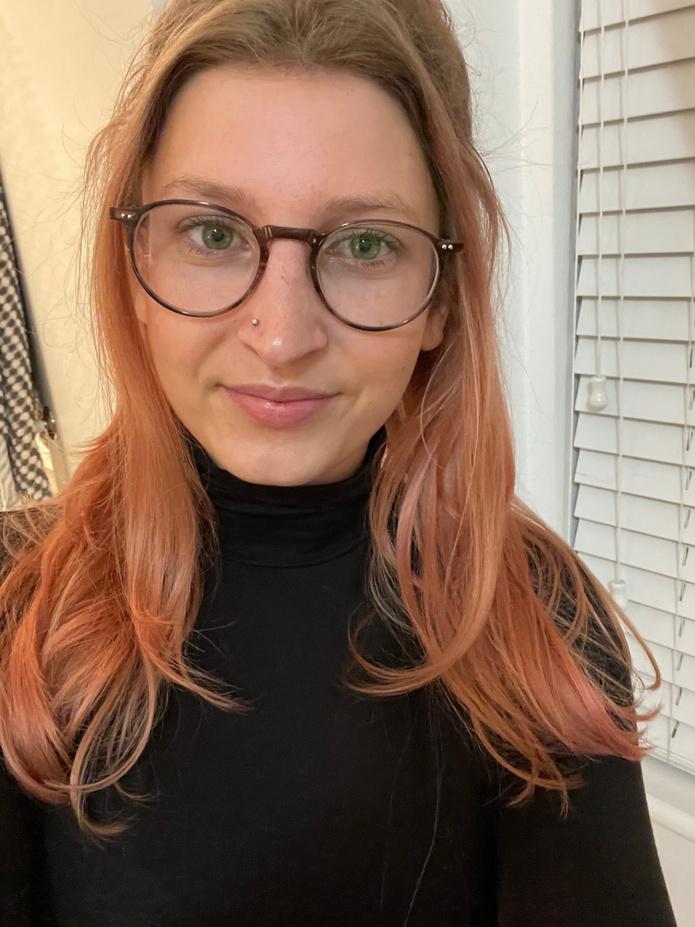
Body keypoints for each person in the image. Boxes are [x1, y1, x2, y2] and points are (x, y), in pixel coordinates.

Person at [0, 1, 679, 924]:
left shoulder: (537, 621)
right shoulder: (21, 610)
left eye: (364, 245)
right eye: (213, 233)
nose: (282, 337)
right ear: (134, 265)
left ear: (441, 300)